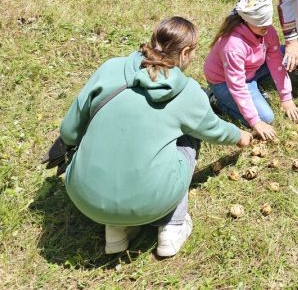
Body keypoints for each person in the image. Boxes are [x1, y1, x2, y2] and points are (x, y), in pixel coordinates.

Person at [59, 17, 252, 256]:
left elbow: (68, 131)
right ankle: (172, 227)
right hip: (149, 202)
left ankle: (116, 231)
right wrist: (241, 136)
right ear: (185, 53)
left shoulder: (111, 68)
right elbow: (213, 129)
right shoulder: (188, 92)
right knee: (188, 138)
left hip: (84, 196)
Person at [205, 0, 298, 142]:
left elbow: (276, 62)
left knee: (283, 53)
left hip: (250, 68)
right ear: (247, 21)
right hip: (225, 81)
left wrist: (286, 97)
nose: (267, 28)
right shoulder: (233, 46)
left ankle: (255, 88)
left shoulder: (267, 31)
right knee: (266, 117)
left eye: (268, 23)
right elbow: (237, 86)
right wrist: (256, 122)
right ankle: (215, 98)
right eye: (262, 24)